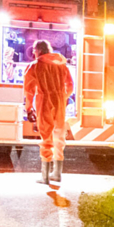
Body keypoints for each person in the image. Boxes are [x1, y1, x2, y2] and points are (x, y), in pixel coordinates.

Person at [24, 39, 74, 184]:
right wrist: (61, 96)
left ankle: (45, 176)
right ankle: (57, 173)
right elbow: (70, 87)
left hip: (44, 102)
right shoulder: (61, 65)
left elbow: (29, 91)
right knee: (59, 136)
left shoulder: (35, 66)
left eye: (34, 50)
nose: (33, 53)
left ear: (38, 50)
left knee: (46, 137)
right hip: (59, 103)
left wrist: (29, 108)